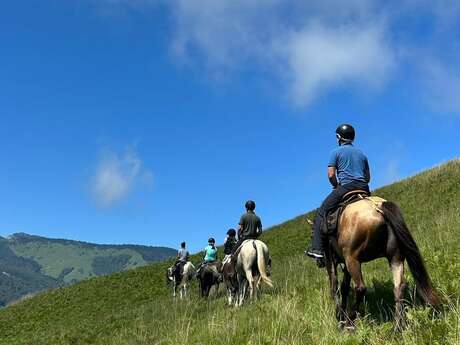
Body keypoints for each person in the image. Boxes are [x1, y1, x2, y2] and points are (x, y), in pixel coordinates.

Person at [306, 124, 370, 267]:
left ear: (338, 137)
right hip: (364, 188)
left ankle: (317, 249)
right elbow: (368, 178)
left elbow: (330, 175)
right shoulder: (362, 154)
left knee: (321, 212)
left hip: (345, 188)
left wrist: (336, 185)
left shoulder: (335, 152)